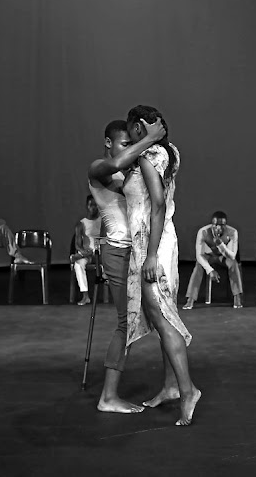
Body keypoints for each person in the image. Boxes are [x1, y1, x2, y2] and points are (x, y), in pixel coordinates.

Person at [123, 105, 201, 426]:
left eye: (131, 131)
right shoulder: (171, 151)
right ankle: (170, 386)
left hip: (152, 243)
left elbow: (156, 203)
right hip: (165, 238)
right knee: (163, 315)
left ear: (140, 127)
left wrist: (151, 254)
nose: (129, 137)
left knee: (160, 315)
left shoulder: (146, 156)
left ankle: (188, 391)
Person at [87, 117, 166, 414]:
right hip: (118, 253)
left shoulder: (131, 171)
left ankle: (172, 385)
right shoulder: (98, 168)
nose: (131, 150)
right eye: (125, 145)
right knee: (127, 322)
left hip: (139, 253)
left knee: (161, 319)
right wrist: (150, 139)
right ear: (108, 143)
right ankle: (108, 397)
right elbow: (118, 163)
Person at [182, 211, 243, 310]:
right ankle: (191, 299)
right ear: (212, 224)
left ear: (225, 225)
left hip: (223, 256)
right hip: (208, 256)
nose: (219, 228)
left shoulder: (232, 232)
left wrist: (221, 245)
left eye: (222, 225)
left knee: (233, 264)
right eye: (216, 225)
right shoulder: (203, 232)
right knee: (198, 266)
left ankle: (237, 296)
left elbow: (232, 256)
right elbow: (199, 255)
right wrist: (210, 270)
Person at [72, 195, 102, 306]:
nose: (93, 208)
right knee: (78, 264)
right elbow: (78, 245)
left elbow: (107, 239)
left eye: (96, 205)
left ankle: (77, 256)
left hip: (101, 253)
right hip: (87, 254)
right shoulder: (81, 224)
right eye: (91, 205)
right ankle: (85, 295)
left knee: (96, 252)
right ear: (87, 206)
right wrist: (83, 252)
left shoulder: (103, 221)